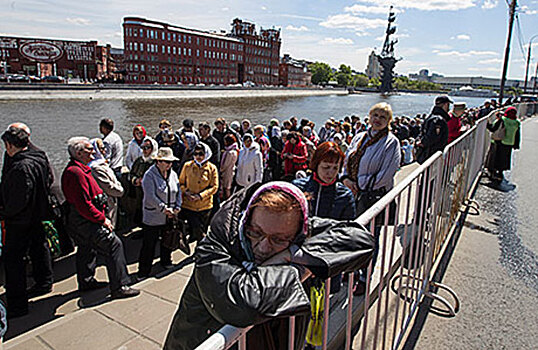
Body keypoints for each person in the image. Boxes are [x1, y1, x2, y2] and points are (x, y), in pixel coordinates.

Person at [163, 181, 375, 350]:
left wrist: (292, 254)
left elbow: (361, 241)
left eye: (279, 239)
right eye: (255, 233)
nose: (263, 247)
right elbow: (246, 303)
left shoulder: (301, 232)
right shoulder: (214, 248)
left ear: (299, 233)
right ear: (245, 220)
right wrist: (290, 261)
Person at [61, 137, 139, 299]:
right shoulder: (76, 173)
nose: (93, 151)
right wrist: (102, 219)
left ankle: (86, 281)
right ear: (79, 153)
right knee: (114, 244)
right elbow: (84, 204)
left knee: (85, 249)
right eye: (89, 148)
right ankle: (120, 285)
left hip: (81, 221)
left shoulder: (79, 169)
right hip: (86, 221)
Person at [342, 103, 401, 295]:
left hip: (372, 197)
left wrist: (360, 184)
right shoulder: (360, 137)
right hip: (353, 193)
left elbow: (388, 172)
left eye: (382, 117)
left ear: (388, 121)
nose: (377, 119)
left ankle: (364, 277)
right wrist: (346, 179)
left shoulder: (391, 143)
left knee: (370, 238)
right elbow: (347, 160)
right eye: (375, 115)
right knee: (351, 235)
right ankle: (350, 269)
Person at [0, 125, 54, 318]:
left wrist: (5, 212)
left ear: (9, 145)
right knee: (40, 248)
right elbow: (48, 180)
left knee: (13, 263)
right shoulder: (38, 157)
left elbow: (18, 199)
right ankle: (44, 282)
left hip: (19, 221)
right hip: (37, 215)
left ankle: (17, 306)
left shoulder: (19, 166)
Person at [137, 147, 182, 278]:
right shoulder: (149, 175)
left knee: (167, 240)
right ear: (158, 161)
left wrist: (178, 206)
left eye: (170, 162)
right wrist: (163, 208)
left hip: (169, 215)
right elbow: (150, 197)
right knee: (149, 245)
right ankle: (144, 271)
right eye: (167, 162)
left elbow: (178, 190)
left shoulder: (172, 173)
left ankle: (166, 261)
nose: (169, 164)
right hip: (153, 216)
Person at [179, 143, 219, 243]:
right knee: (196, 229)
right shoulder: (187, 166)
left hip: (205, 205)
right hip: (189, 204)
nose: (198, 157)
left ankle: (200, 248)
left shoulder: (212, 168)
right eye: (196, 154)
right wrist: (187, 192)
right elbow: (181, 183)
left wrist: (200, 196)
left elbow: (214, 187)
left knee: (202, 228)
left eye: (201, 154)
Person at [88, 138, 124, 227]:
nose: (104, 151)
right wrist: (120, 191)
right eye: (102, 149)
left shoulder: (100, 164)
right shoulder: (95, 168)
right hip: (107, 202)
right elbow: (108, 187)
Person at [485, 107, 521, 182]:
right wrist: (516, 145)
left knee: (496, 157)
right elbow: (517, 135)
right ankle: (500, 173)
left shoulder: (503, 120)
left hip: (500, 141)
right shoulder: (516, 122)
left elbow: (493, 128)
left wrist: (487, 123)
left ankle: (493, 173)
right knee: (505, 158)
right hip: (510, 143)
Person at [128, 137, 158, 226]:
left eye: (147, 148)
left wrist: (145, 181)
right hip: (139, 193)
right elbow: (132, 173)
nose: (145, 150)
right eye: (143, 148)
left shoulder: (155, 162)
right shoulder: (139, 161)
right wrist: (135, 180)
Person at [415, 96, 452, 164]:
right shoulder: (439, 120)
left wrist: (420, 142)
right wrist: (423, 143)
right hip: (433, 154)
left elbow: (422, 132)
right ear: (445, 105)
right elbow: (432, 137)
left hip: (428, 153)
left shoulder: (431, 117)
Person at [220, 134, 239, 200]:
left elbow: (226, 164)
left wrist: (221, 169)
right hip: (229, 171)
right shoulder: (232, 150)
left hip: (228, 172)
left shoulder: (231, 152)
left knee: (227, 188)